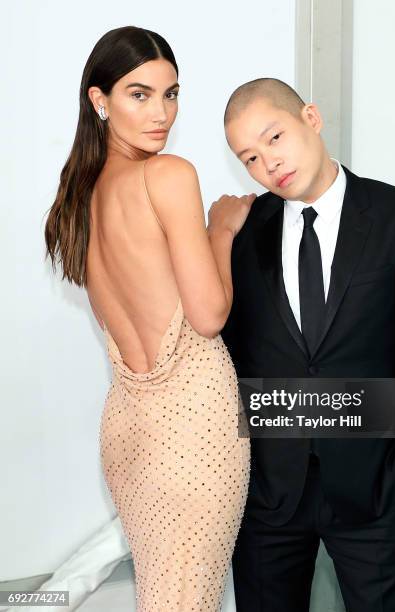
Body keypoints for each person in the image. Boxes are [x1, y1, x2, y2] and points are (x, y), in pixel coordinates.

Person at [219, 78, 395, 612]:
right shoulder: (243, 232)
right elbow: (230, 356)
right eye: (249, 158)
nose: (267, 164)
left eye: (274, 138)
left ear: (312, 118)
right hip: (269, 495)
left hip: (375, 485)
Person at [44, 26, 253, 611]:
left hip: (128, 432)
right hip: (194, 429)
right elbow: (208, 315)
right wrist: (222, 230)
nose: (161, 112)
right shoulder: (168, 175)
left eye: (171, 93)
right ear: (99, 100)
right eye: (139, 94)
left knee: (164, 598)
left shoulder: (76, 197)